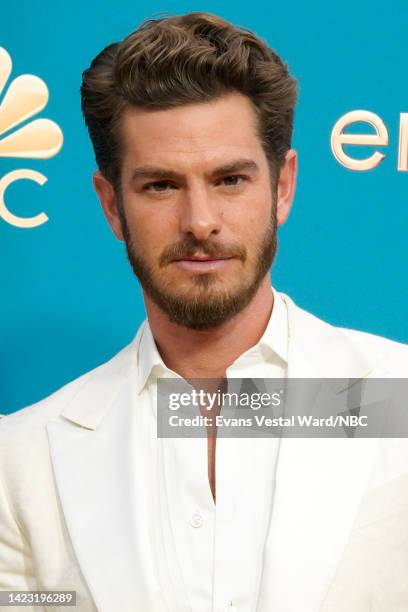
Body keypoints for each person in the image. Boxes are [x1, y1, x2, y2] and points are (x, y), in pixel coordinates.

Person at [0, 11, 407, 612]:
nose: (200, 222)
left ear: (283, 187)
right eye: (161, 185)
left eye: (230, 180)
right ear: (112, 205)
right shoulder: (22, 457)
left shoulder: (396, 397)